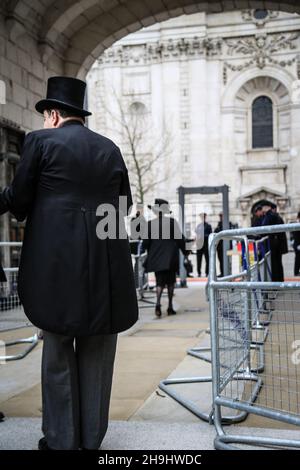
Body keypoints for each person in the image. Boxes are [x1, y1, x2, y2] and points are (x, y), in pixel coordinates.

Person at [0, 76, 139, 450]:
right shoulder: (109, 148)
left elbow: (20, 199)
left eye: (46, 115)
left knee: (58, 350)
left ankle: (61, 440)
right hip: (106, 270)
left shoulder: (40, 141)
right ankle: (91, 440)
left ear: (55, 114)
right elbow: (123, 207)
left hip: (56, 268)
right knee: (97, 351)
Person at [143, 199, 188, 317]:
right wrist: (186, 252)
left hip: (157, 257)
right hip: (171, 257)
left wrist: (147, 251)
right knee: (171, 282)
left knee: (159, 283)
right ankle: (170, 307)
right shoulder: (172, 222)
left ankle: (157, 304)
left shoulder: (149, 224)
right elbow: (180, 240)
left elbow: (145, 242)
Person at [261, 203, 286, 281]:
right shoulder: (275, 216)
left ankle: (276, 281)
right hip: (277, 243)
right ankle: (280, 279)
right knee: (278, 262)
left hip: (273, 244)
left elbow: (264, 228)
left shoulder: (270, 216)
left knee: (274, 263)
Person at [195, 213, 212, 277]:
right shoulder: (198, 226)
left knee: (207, 259)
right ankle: (199, 272)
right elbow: (197, 234)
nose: (202, 218)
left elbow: (210, 235)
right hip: (199, 245)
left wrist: (203, 236)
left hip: (205, 245)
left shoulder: (208, 226)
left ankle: (207, 272)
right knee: (198, 259)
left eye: (203, 217)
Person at [292, 212, 300, 276]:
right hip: (297, 244)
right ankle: (296, 272)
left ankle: (297, 271)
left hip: (297, 244)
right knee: (297, 259)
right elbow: (296, 236)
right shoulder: (296, 223)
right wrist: (298, 245)